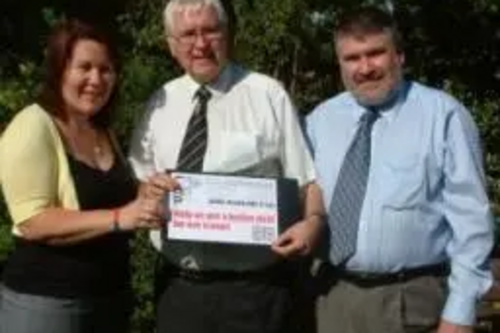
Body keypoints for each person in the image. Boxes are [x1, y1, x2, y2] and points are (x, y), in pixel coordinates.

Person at [128, 0, 324, 332]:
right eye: (189, 34)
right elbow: (141, 181)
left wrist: (314, 223)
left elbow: (307, 180)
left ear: (227, 34)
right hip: (178, 288)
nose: (201, 44)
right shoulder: (159, 102)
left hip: (255, 292)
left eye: (210, 31)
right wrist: (149, 196)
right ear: (171, 45)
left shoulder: (267, 94)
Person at [305, 6, 494, 333]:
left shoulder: (444, 116)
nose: (364, 68)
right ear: (339, 63)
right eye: (352, 58)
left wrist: (459, 314)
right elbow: (308, 195)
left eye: (375, 53)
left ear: (400, 56)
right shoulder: (320, 121)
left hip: (411, 302)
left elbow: (472, 225)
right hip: (333, 299)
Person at [0, 19, 163, 333]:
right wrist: (119, 217)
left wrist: (150, 191)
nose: (96, 79)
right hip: (49, 305)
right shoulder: (33, 125)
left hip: (109, 300)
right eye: (84, 67)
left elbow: (119, 200)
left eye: (106, 69)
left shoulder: (101, 129)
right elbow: (33, 221)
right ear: (60, 69)